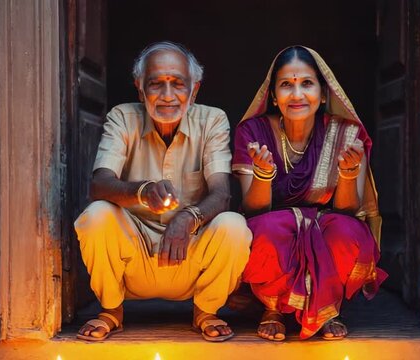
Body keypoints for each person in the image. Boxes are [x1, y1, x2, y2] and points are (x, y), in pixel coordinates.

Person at [75, 41, 252, 342]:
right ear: (139, 88)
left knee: (234, 226)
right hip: (134, 257)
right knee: (96, 216)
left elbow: (222, 193)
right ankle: (111, 310)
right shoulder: (123, 117)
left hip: (189, 254)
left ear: (194, 89)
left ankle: (206, 310)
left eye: (178, 84)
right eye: (156, 84)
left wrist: (188, 217)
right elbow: (99, 184)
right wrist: (142, 191)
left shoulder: (212, 120)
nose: (168, 96)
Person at [232, 46, 387, 341]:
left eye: (306, 83)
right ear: (274, 96)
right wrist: (263, 174)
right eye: (286, 85)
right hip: (272, 225)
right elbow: (252, 210)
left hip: (327, 222)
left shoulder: (347, 133)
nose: (297, 94)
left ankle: (328, 308)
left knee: (347, 232)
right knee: (262, 231)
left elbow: (348, 210)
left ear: (324, 93)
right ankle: (272, 308)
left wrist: (348, 173)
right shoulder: (252, 132)